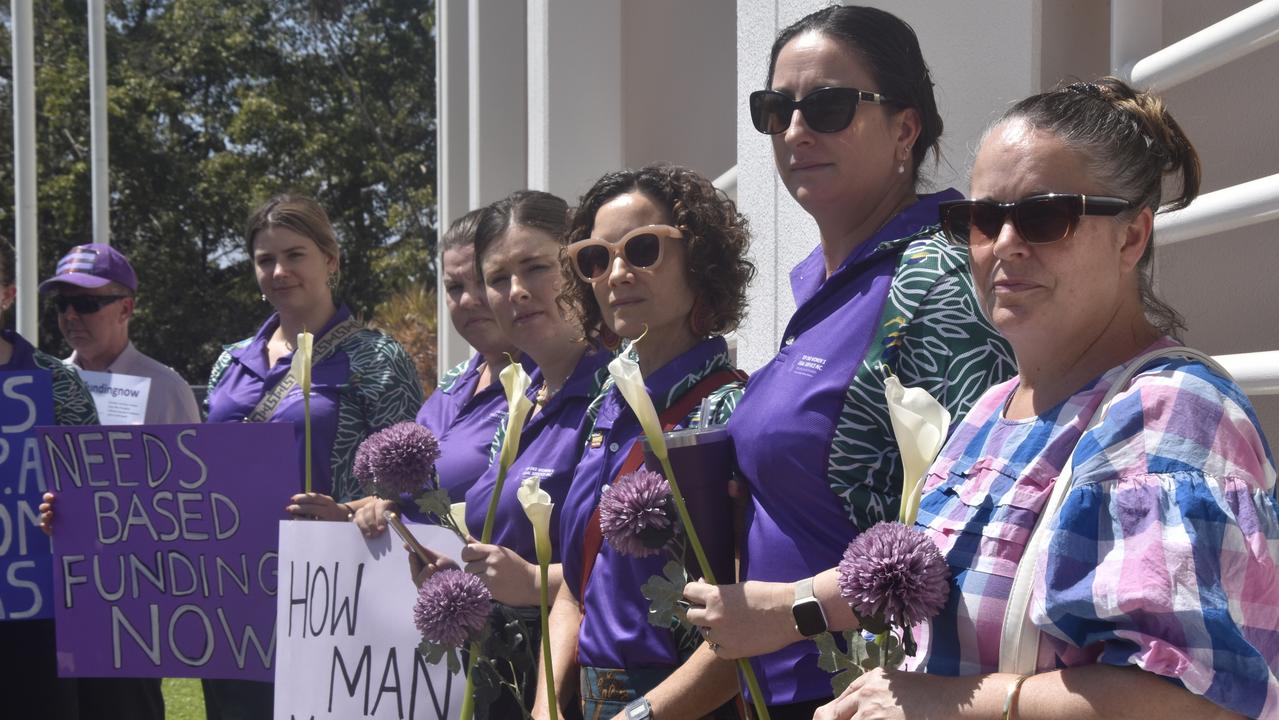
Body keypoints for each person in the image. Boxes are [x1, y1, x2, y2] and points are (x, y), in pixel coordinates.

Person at [810, 76, 1279, 720]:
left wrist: (938, 704)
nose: (1004, 244)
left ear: (1131, 237)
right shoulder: (988, 410)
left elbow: (1192, 702)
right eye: (980, 219)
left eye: (1044, 216)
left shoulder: (1170, 417)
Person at [681, 6, 1015, 716]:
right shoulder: (824, 286)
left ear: (904, 127)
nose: (796, 131)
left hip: (873, 695)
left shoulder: (938, 278)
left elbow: (982, 519)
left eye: (829, 106)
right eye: (775, 110)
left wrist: (786, 612)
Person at [538, 164, 755, 720]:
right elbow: (573, 590)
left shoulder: (732, 412)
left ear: (699, 260)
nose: (616, 273)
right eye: (596, 257)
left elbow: (751, 613)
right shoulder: (603, 406)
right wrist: (544, 708)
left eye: (642, 249)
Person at [202, 194, 424, 717]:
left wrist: (348, 512)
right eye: (264, 260)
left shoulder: (376, 357)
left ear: (330, 258)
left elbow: (414, 479)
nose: (279, 271)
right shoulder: (228, 364)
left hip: (332, 596)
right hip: (233, 604)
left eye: (294, 254)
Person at [409, 190, 611, 717]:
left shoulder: (618, 391)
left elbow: (648, 564)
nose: (516, 292)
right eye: (498, 278)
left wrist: (533, 583)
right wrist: (457, 571)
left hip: (576, 690)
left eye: (536, 267)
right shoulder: (524, 395)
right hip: (498, 682)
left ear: (580, 265)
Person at [355, 209, 527, 535]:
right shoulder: (453, 383)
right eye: (454, 287)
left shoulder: (542, 388)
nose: (468, 300)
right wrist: (376, 507)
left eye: (486, 280)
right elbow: (411, 495)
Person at [0, 236, 104, 719]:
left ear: (6, 294)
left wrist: (66, 513)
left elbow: (98, 493)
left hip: (36, 618)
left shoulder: (56, 380)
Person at [38, 242, 200, 425]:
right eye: (61, 303)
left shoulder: (167, 389)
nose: (70, 315)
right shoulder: (43, 386)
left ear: (125, 309)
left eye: (85, 303)